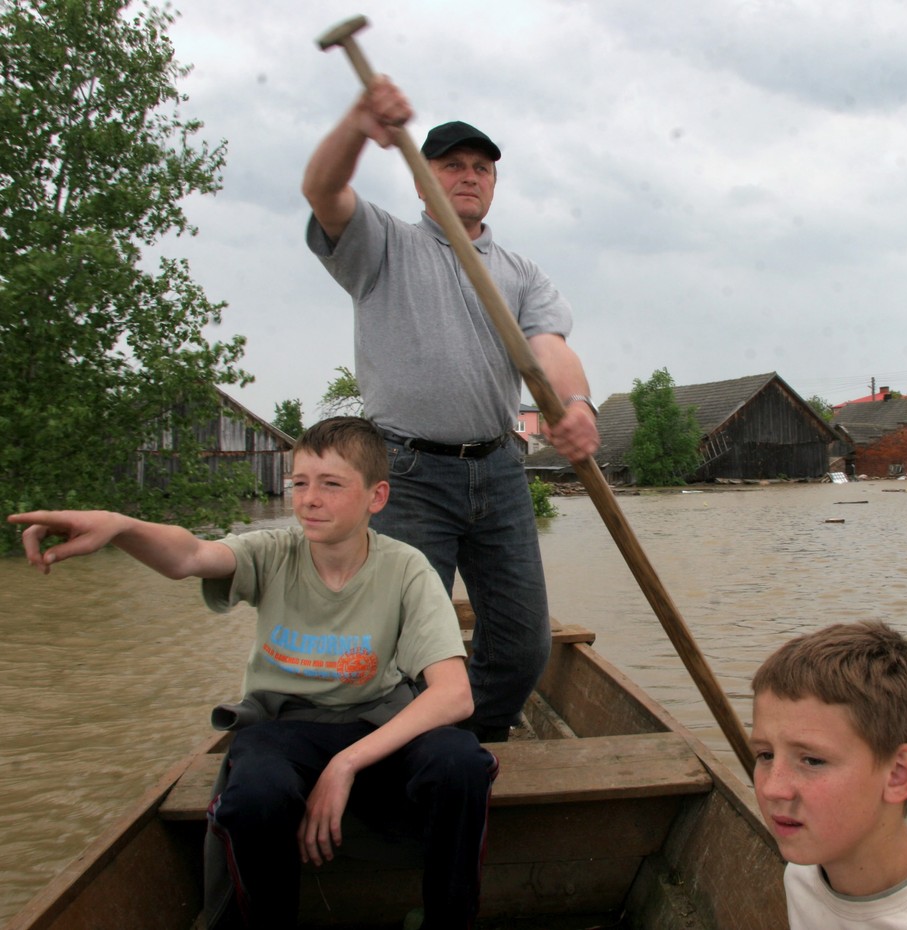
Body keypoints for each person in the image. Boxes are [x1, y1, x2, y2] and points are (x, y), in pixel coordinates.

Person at [7, 417, 498, 930]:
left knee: (461, 762)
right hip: (282, 728)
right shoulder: (271, 551)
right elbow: (191, 554)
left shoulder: (406, 568)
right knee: (253, 798)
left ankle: (448, 918)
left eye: (331, 484)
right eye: (300, 483)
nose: (309, 499)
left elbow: (453, 696)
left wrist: (345, 765)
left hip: (372, 723)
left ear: (377, 497)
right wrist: (122, 525)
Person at [302, 76, 600, 742]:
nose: (469, 177)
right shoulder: (382, 244)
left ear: (493, 184)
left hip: (498, 471)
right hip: (407, 473)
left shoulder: (521, 273)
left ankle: (473, 741)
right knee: (406, 644)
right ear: (420, 180)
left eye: (481, 168)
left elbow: (548, 347)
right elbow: (322, 191)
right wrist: (357, 123)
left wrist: (574, 403)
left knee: (525, 647)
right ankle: (413, 757)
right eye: (452, 166)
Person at [750, 621, 907, 928]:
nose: (772, 788)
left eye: (812, 760)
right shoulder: (802, 875)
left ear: (898, 774)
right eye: (765, 755)